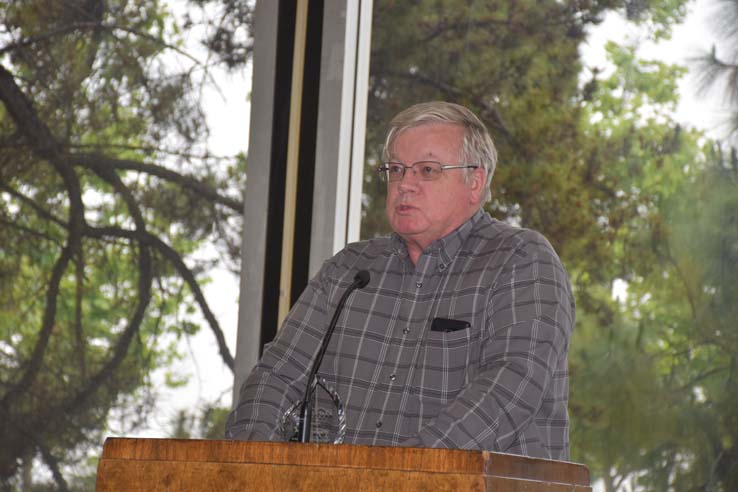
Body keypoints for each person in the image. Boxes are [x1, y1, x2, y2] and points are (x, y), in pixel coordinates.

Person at [226, 101, 575, 460]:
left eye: (427, 170)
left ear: (475, 181)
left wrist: (400, 474)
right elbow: (277, 377)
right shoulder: (350, 269)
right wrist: (252, 465)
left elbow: (511, 387)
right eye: (396, 169)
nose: (405, 184)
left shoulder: (520, 260)